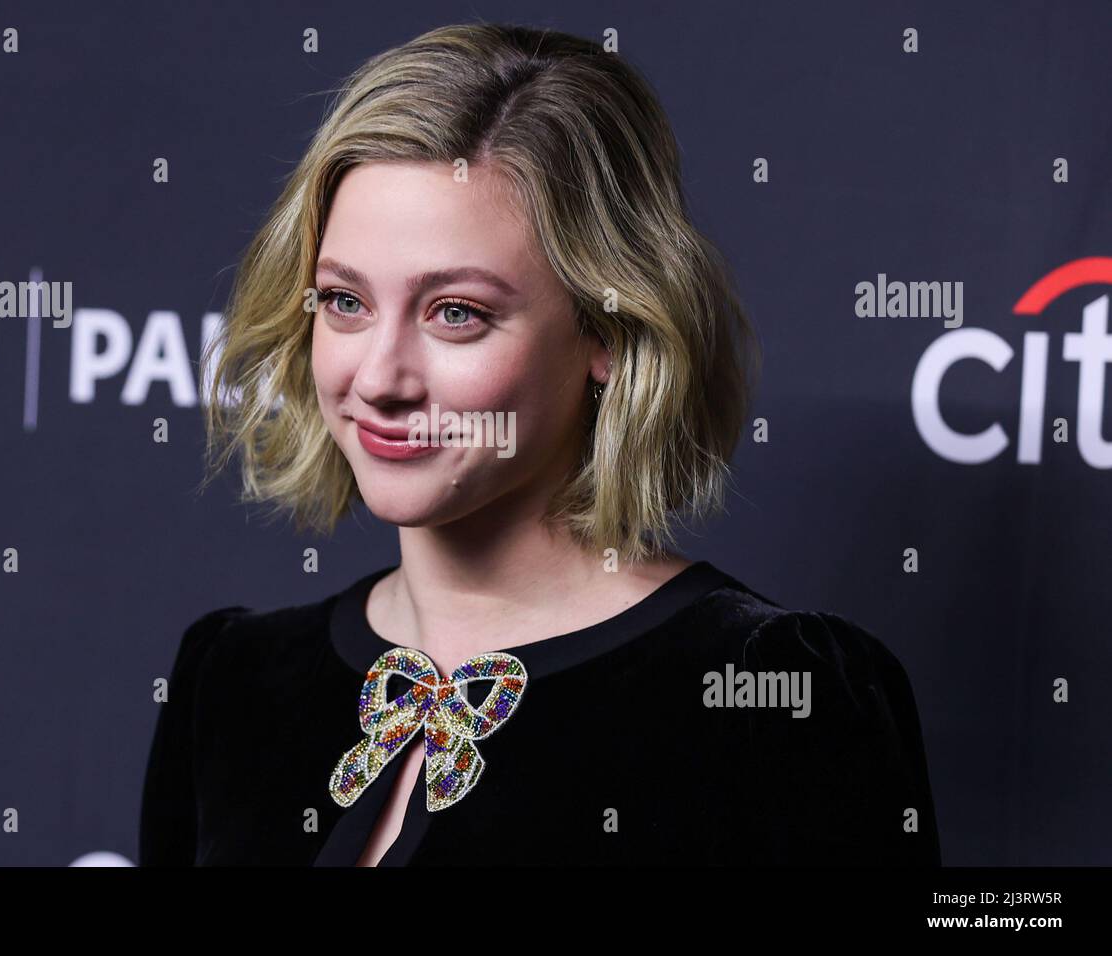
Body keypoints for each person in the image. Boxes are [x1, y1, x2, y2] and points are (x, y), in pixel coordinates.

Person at [139, 22, 941, 867]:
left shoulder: (776, 693)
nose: (379, 378)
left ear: (609, 332)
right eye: (343, 302)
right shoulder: (232, 681)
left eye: (457, 313)